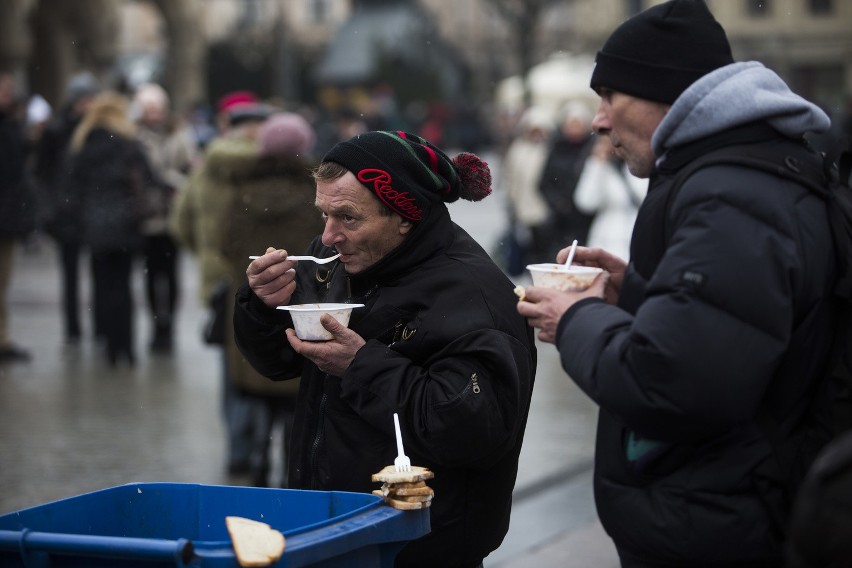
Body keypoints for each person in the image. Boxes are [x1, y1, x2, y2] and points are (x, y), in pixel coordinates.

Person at [516, 1, 836, 566]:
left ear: (669, 95)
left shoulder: (729, 194)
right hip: (732, 507)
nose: (598, 119)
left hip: (725, 525)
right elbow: (737, 331)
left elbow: (666, 383)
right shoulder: (744, 174)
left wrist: (576, 319)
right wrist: (637, 293)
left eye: (611, 97)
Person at [233, 130, 536, 567]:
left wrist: (360, 365)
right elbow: (278, 363)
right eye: (323, 214)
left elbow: (473, 432)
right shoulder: (337, 259)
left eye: (348, 218)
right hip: (327, 529)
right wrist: (263, 306)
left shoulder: (474, 296)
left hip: (418, 544)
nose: (329, 235)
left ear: (404, 216)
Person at [210, 111, 323, 487]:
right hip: (301, 308)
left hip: (255, 305)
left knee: (255, 394)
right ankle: (293, 471)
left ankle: (255, 463)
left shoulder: (242, 189)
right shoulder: (313, 194)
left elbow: (225, 244)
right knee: (296, 400)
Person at [170, 91, 273, 477]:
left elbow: (180, 222)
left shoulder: (206, 166)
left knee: (231, 370)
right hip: (268, 276)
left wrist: (208, 255)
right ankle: (264, 444)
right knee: (267, 361)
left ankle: (238, 448)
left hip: (220, 283)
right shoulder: (270, 167)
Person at [66, 92, 158, 366]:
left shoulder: (83, 145)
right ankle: (126, 347)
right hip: (126, 224)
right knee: (124, 287)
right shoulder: (129, 145)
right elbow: (151, 179)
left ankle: (107, 344)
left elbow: (70, 188)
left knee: (102, 284)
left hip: (94, 226)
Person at [33, 72, 101, 344]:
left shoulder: (97, 130)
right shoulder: (57, 130)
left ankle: (100, 327)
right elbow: (43, 172)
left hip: (93, 210)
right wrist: (50, 207)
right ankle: (73, 329)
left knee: (99, 274)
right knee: (70, 275)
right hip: (67, 211)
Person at [132, 83, 198, 353]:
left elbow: (191, 167)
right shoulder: (134, 137)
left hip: (171, 216)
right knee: (149, 276)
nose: (154, 114)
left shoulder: (180, 134)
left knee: (170, 276)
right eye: (148, 108)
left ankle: (168, 328)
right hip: (146, 219)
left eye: (157, 108)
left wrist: (174, 182)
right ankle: (155, 327)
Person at [0, 72, 35, 363]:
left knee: (3, 281)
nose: (8, 93)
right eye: (5, 88)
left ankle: (3, 338)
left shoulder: (10, 124)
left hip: (6, 218)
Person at [572, 135, 647, 260]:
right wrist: (597, 163)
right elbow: (586, 202)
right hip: (606, 236)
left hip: (637, 230)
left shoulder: (640, 163)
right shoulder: (601, 167)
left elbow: (644, 195)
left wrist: (633, 159)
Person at [538, 101, 596, 261]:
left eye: (578, 124)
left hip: (587, 218)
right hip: (561, 220)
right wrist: (558, 203)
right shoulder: (557, 148)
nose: (574, 128)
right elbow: (544, 182)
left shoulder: (593, 149)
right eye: (571, 124)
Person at [502, 106, 556, 270]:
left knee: (545, 248)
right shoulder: (518, 149)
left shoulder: (550, 150)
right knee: (526, 247)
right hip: (523, 207)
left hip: (546, 207)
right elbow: (510, 177)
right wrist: (510, 199)